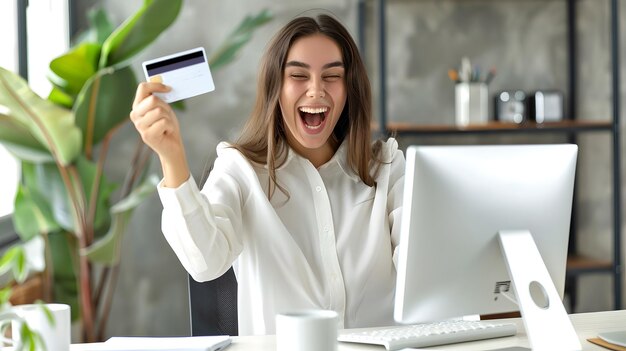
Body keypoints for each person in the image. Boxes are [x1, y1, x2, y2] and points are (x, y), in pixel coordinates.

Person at [129, 13, 405, 335]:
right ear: (276, 86)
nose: (316, 91)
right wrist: (171, 155)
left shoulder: (386, 166)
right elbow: (205, 261)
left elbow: (423, 266)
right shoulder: (240, 168)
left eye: (332, 76)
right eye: (298, 76)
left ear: (349, 89)